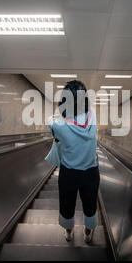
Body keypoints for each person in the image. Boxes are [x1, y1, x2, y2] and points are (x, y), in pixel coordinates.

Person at [47, 80, 99, 243]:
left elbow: (51, 123)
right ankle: (88, 233)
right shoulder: (93, 114)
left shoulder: (58, 125)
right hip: (91, 171)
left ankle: (69, 232)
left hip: (69, 173)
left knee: (67, 204)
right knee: (90, 205)